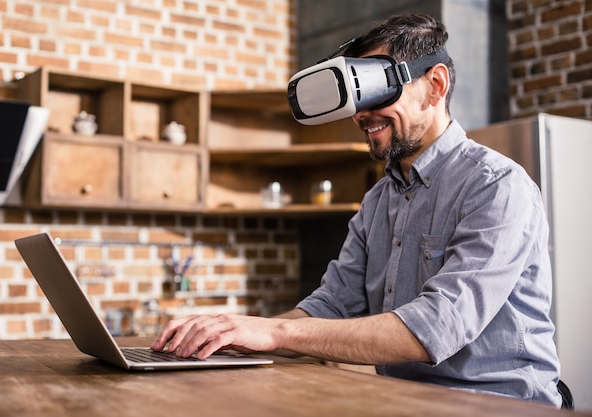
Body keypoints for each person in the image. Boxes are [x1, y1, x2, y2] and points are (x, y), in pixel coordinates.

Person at [151, 13, 562, 407]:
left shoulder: (497, 187)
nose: (361, 114)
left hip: (502, 406)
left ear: (435, 86)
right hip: (407, 403)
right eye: (355, 99)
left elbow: (434, 328)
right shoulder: (378, 201)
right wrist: (230, 335)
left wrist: (274, 332)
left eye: (376, 90)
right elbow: (330, 306)